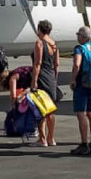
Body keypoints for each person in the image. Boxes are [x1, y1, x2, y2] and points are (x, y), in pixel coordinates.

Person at [69, 26, 91, 155]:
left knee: (81, 113)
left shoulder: (79, 49)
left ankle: (84, 143)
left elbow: (77, 64)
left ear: (82, 37)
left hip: (82, 83)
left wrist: (73, 79)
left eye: (78, 35)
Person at [30, 19, 59, 147]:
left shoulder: (40, 43)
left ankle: (42, 139)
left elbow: (37, 63)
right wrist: (54, 78)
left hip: (42, 77)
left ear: (39, 29)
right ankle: (51, 137)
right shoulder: (54, 44)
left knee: (40, 109)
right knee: (50, 110)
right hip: (51, 77)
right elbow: (56, 64)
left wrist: (34, 81)